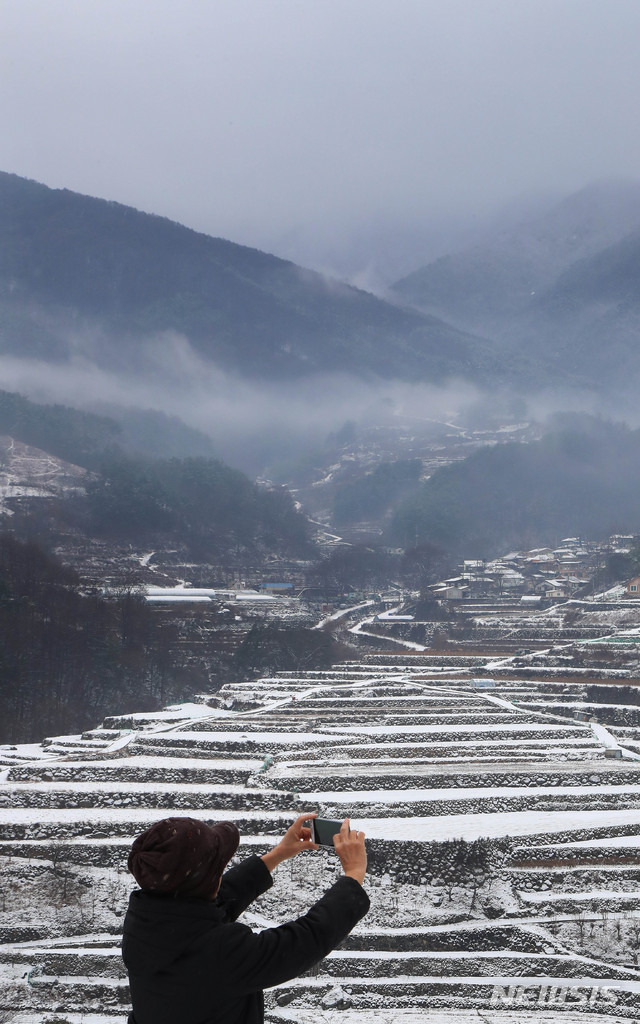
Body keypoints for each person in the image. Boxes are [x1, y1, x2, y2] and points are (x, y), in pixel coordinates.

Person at [122, 812, 369, 1024]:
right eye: (219, 867)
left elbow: (208, 906)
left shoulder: (145, 922)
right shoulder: (220, 953)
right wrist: (354, 875)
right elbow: (304, 939)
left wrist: (278, 855)